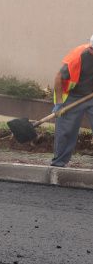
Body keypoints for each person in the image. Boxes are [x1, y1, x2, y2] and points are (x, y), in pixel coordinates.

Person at [50, 35, 93, 167]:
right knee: (65, 130)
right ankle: (59, 162)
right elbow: (59, 77)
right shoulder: (77, 57)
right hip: (73, 96)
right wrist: (58, 104)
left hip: (91, 95)